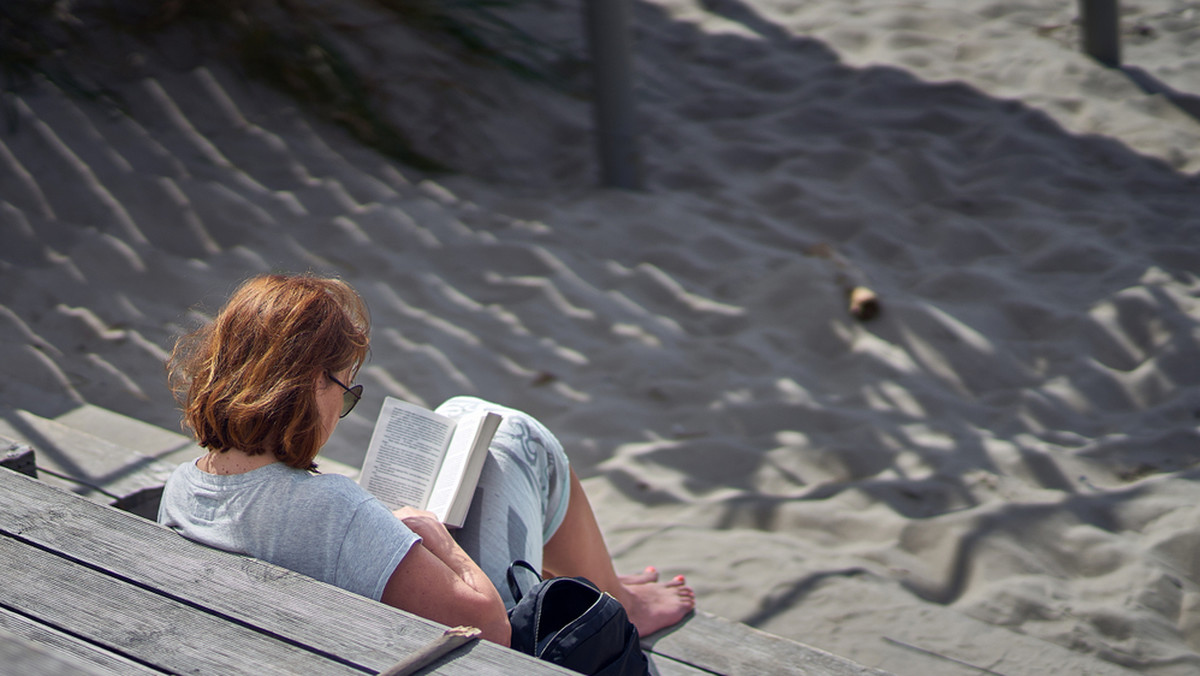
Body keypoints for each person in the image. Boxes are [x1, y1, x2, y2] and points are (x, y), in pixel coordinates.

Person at [158, 274, 695, 647]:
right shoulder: (331, 510)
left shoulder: (182, 489)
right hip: (455, 656)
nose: (340, 408)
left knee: (463, 415)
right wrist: (437, 541)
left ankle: (601, 585)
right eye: (345, 391)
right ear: (306, 387)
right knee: (516, 439)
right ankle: (613, 599)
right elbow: (492, 632)